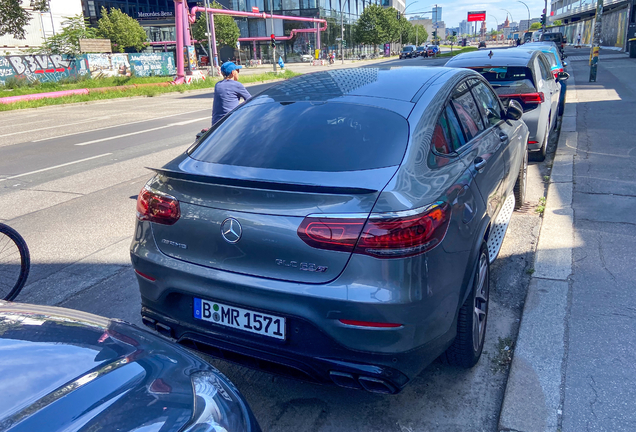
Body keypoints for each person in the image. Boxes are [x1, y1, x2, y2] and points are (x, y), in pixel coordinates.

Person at [211, 61, 251, 126]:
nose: (238, 73)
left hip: (215, 123)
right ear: (233, 73)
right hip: (230, 122)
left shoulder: (217, 85)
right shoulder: (237, 85)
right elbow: (250, 100)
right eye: (237, 71)